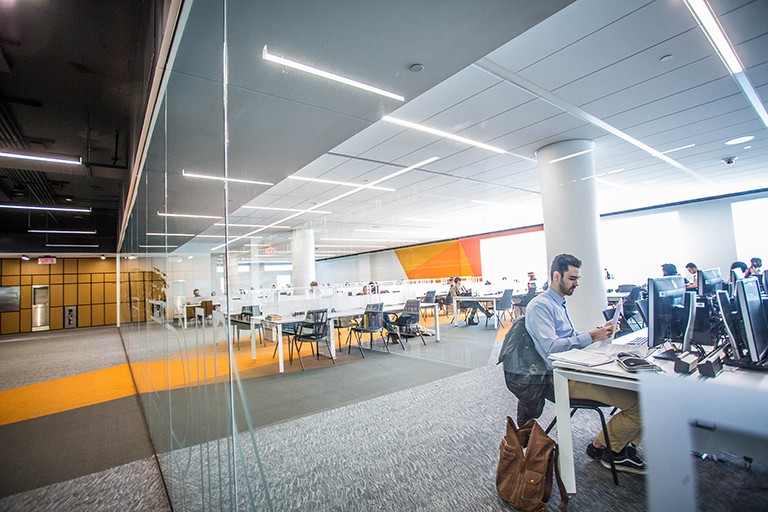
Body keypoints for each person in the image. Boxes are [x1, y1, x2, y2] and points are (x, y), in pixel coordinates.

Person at [525, 253, 645, 474]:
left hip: (575, 368)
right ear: (556, 275)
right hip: (561, 377)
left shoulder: (559, 303)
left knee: (645, 393)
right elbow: (552, 348)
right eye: (572, 278)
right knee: (642, 403)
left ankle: (609, 445)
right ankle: (610, 451)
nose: (576, 284)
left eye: (577, 278)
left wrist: (599, 333)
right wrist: (591, 336)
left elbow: (568, 340)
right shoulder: (540, 306)